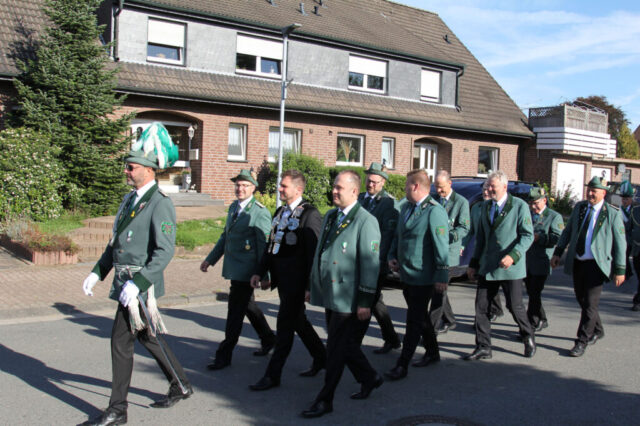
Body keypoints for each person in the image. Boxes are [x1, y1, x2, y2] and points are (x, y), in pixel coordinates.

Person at [81, 146, 192, 426]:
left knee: (120, 342)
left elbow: (164, 251)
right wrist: (98, 272)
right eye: (127, 166)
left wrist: (138, 284)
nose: (126, 171)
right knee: (146, 336)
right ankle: (180, 384)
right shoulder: (130, 199)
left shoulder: (160, 203)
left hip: (139, 287)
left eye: (132, 167)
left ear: (149, 170)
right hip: (124, 282)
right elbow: (116, 243)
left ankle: (118, 409)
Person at [301, 170, 383, 418]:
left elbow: (370, 264)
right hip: (331, 292)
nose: (334, 191)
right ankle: (369, 377)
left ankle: (325, 400)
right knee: (344, 345)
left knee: (335, 350)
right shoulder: (330, 215)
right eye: (334, 187)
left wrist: (365, 301)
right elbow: (320, 253)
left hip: (349, 297)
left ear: (354, 191)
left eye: (339, 188)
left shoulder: (366, 221)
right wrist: (312, 286)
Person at [249, 170, 326, 391]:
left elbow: (314, 254)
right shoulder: (280, 211)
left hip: (297, 282)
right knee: (298, 322)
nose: (279, 189)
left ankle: (272, 375)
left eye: (284, 186)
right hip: (282, 280)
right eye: (280, 185)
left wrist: (310, 286)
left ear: (298, 189)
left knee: (284, 327)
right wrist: (260, 272)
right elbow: (271, 245)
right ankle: (322, 357)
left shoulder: (310, 214)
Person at [200, 169, 276, 370]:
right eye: (238, 185)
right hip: (235, 268)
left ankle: (224, 355)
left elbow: (264, 247)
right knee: (248, 306)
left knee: (234, 312)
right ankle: (268, 338)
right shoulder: (234, 207)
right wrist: (210, 259)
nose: (240, 189)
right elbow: (225, 236)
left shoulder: (259, 212)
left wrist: (265, 274)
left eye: (245, 185)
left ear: (253, 188)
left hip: (248, 272)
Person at [384, 169, 449, 381]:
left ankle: (402, 364)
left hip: (423, 275)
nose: (404, 188)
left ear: (415, 186)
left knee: (413, 320)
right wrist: (392, 256)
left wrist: (442, 275)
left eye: (406, 185)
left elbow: (441, 247)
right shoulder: (406, 208)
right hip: (407, 273)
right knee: (420, 317)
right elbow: (398, 236)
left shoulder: (434, 211)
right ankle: (433, 352)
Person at [551, 176, 626, 357]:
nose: (590, 194)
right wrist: (558, 252)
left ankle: (582, 340)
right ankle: (598, 329)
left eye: (594, 191)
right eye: (589, 190)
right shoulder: (580, 208)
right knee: (582, 300)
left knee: (590, 303)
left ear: (603, 193)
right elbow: (568, 231)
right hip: (579, 261)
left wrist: (620, 269)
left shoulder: (612, 213)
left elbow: (620, 243)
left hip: (597, 264)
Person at [465, 170, 535, 361]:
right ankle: (483, 346)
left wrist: (513, 255)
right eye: (486, 185)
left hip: (510, 267)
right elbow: (481, 239)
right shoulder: (485, 207)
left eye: (492, 186)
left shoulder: (519, 206)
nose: (488, 189)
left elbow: (527, 236)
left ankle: (528, 336)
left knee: (515, 306)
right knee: (481, 307)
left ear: (504, 187)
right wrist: (473, 263)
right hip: (488, 266)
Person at [357, 162, 402, 354]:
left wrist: (377, 261)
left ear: (383, 182)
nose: (370, 184)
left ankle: (352, 343)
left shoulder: (388, 203)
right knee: (375, 302)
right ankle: (392, 339)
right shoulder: (359, 198)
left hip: (375, 262)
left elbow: (387, 236)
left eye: (374, 182)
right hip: (358, 259)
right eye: (368, 180)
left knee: (367, 300)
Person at [429, 170, 469, 334]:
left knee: (439, 290)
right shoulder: (433, 199)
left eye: (441, 187)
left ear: (450, 184)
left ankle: (431, 328)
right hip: (434, 252)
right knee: (439, 289)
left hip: (449, 254)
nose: (438, 191)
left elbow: (464, 227)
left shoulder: (461, 202)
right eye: (436, 187)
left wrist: (447, 237)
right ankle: (450, 320)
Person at [462, 181, 505, 321]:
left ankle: (493, 310)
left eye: (488, 189)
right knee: (485, 282)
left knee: (492, 282)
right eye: (484, 190)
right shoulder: (476, 208)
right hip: (480, 252)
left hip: (497, 252)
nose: (486, 192)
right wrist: (462, 245)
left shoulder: (499, 208)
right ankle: (490, 313)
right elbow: (470, 230)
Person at [525, 187, 564, 331]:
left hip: (542, 261)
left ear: (544, 201)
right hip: (527, 261)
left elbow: (557, 238)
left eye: (536, 203)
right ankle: (542, 318)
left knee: (535, 292)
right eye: (531, 203)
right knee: (531, 292)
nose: (533, 207)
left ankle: (532, 323)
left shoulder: (554, 216)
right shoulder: (527, 214)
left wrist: (540, 238)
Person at [619, 180, 635, 280]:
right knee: (623, 255)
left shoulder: (635, 209)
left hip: (632, 238)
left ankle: (628, 272)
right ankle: (627, 273)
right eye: (623, 199)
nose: (624, 201)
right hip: (623, 237)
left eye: (626, 199)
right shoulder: (620, 209)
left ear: (631, 199)